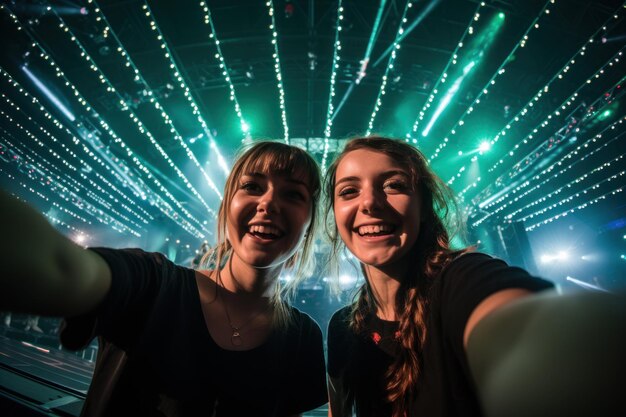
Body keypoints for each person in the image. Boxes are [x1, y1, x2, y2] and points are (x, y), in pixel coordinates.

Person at [0, 141, 328, 416]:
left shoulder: (303, 339)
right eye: (252, 186)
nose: (269, 203)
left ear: (309, 225)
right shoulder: (154, 283)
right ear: (228, 205)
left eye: (293, 194)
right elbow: (59, 268)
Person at [323, 136, 625, 417]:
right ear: (335, 215)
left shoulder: (462, 279)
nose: (370, 202)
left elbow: (535, 333)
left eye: (394, 185)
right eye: (349, 191)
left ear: (425, 207)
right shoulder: (343, 327)